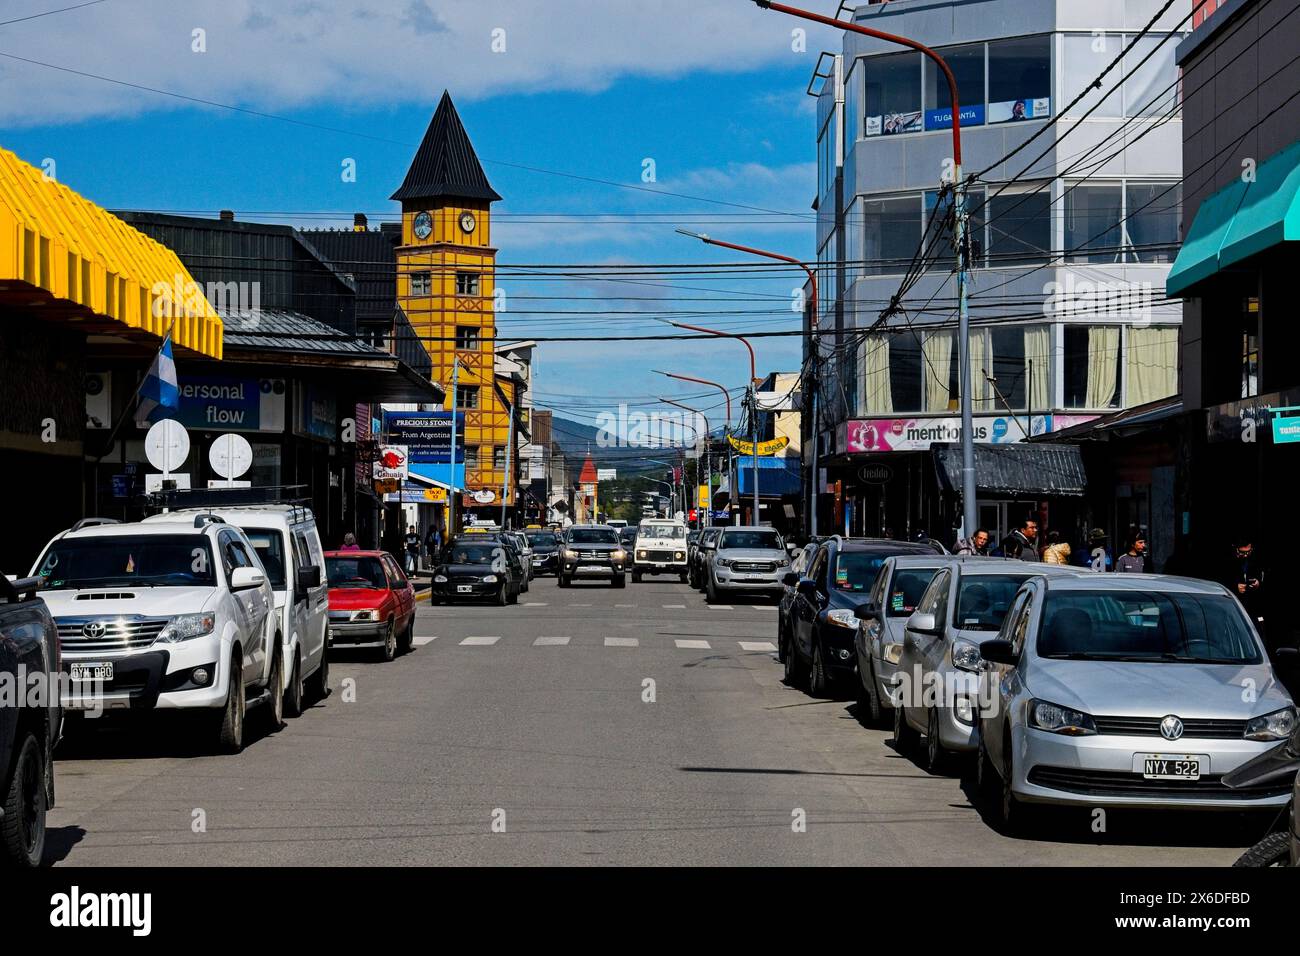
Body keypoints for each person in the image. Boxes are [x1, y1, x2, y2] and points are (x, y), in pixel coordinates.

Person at [1225, 539, 1264, 630]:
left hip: (1253, 606)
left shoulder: (1256, 559)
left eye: (1248, 552)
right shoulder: (1227, 561)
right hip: (1233, 606)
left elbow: (1262, 575)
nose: (1246, 555)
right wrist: (1235, 587)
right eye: (1242, 552)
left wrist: (1258, 583)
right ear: (1235, 549)